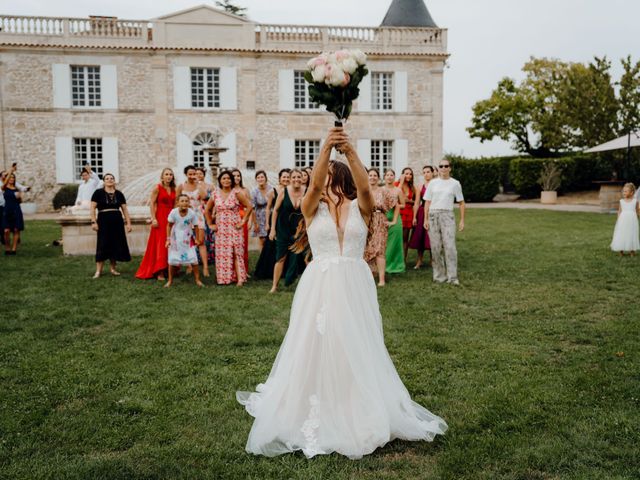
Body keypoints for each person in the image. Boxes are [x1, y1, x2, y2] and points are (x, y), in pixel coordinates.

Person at [237, 127, 447, 459]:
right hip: (319, 283)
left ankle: (354, 401)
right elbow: (315, 184)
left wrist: (349, 151)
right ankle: (314, 399)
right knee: (317, 341)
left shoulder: (361, 206)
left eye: (331, 175)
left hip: (354, 282)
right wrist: (325, 151)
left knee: (354, 340)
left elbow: (365, 186)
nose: (323, 182)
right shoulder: (310, 207)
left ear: (342, 180)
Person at [206, 170, 253, 286]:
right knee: (223, 253)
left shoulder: (236, 193)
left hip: (234, 226)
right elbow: (207, 209)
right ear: (220, 181)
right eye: (224, 178)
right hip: (221, 228)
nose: (226, 180)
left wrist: (243, 221)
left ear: (232, 180)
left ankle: (240, 279)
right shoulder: (215, 194)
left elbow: (249, 206)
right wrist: (210, 224)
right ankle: (224, 279)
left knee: (236, 252)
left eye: (228, 178)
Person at [423, 159, 465, 285]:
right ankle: (439, 276)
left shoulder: (455, 184)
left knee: (450, 247)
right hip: (433, 215)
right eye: (441, 166)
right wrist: (425, 218)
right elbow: (427, 202)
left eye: (446, 166)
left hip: (447, 216)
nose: (443, 168)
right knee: (435, 248)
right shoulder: (433, 183)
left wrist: (462, 220)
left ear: (450, 168)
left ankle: (452, 277)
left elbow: (461, 203)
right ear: (438, 168)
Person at [268, 168, 306, 292]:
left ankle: (309, 285)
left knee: (306, 257)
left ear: (302, 178)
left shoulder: (307, 191)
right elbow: (276, 210)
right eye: (294, 177)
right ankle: (274, 286)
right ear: (289, 179)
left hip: (300, 230)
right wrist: (273, 229)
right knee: (281, 257)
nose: (296, 179)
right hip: (283, 228)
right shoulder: (283, 192)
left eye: (298, 177)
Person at [135, 168, 176, 280]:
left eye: (171, 174)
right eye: (166, 174)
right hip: (161, 217)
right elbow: (152, 203)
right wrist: (153, 218)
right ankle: (159, 271)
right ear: (162, 177)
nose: (169, 176)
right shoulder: (157, 188)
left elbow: (176, 205)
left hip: (171, 217)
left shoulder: (174, 189)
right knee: (160, 244)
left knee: (171, 242)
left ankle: (169, 268)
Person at [90, 173, 132, 278]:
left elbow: (125, 210)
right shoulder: (98, 193)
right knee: (102, 244)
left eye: (112, 178)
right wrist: (93, 222)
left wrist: (128, 223)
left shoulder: (119, 194)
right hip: (103, 221)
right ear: (104, 181)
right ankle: (98, 271)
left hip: (117, 222)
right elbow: (92, 208)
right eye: (107, 178)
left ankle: (113, 269)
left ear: (114, 181)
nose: (110, 180)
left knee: (115, 244)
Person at [253, 169, 290, 280]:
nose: (286, 179)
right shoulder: (273, 191)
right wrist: (268, 224)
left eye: (288, 177)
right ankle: (268, 271)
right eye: (284, 177)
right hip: (277, 221)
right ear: (279, 178)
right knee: (272, 246)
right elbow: (269, 208)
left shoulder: (291, 190)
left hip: (288, 221)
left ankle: (285, 270)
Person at [364, 168, 396, 286]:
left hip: (380, 220)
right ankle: (369, 277)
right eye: (370, 175)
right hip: (366, 221)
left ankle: (382, 280)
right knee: (366, 249)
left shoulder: (383, 191)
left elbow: (394, 203)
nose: (372, 177)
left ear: (378, 178)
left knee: (380, 250)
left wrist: (393, 220)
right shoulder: (364, 191)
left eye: (374, 175)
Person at [164, 193, 204, 287]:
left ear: (189, 202)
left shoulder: (191, 213)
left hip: (187, 238)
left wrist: (197, 239)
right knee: (172, 260)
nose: (184, 203)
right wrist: (168, 239)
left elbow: (196, 226)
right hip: (176, 239)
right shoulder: (174, 212)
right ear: (178, 203)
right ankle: (170, 281)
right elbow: (169, 226)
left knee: (194, 259)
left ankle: (197, 280)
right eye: (182, 201)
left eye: (186, 201)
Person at [177, 166, 209, 277]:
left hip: (198, 215)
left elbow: (205, 196)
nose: (192, 176)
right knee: (187, 242)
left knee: (201, 242)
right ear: (186, 174)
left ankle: (205, 267)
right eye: (190, 174)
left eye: (194, 174)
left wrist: (199, 185)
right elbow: (176, 202)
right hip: (185, 217)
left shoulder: (200, 185)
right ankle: (189, 265)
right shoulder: (181, 186)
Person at [408, 165, 435, 269]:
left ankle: (433, 260)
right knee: (420, 237)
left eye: (428, 172)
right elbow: (417, 202)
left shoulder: (436, 185)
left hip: (433, 212)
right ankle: (419, 260)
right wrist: (414, 217)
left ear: (433, 173)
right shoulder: (420, 186)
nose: (426, 174)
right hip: (422, 212)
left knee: (432, 237)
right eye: (424, 172)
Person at [383, 169, 405, 274]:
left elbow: (403, 205)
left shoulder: (398, 190)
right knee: (384, 244)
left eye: (391, 175)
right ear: (384, 177)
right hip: (383, 217)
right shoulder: (380, 189)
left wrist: (393, 205)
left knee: (395, 244)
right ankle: (384, 265)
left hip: (396, 219)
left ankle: (396, 266)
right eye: (387, 175)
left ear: (394, 177)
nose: (389, 177)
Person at [610, 183, 640, 256]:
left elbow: (637, 211)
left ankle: (632, 251)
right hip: (623, 220)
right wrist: (618, 220)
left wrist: (637, 217)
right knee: (622, 234)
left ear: (632, 192)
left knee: (631, 234)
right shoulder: (621, 201)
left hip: (632, 221)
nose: (624, 193)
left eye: (626, 191)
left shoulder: (635, 201)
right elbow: (619, 211)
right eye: (623, 191)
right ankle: (621, 250)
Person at [395, 167, 418, 262]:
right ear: (402, 175)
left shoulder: (412, 188)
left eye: (410, 174)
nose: (408, 176)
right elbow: (394, 195)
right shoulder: (396, 184)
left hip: (408, 214)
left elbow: (416, 202)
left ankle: (403, 259)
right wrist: (401, 182)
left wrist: (409, 201)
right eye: (406, 174)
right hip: (398, 212)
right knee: (396, 237)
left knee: (405, 238)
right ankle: (395, 258)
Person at [231, 169, 251, 274]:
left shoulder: (245, 190)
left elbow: (250, 207)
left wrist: (249, 220)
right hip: (231, 219)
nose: (237, 177)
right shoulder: (228, 190)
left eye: (238, 175)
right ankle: (233, 270)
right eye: (234, 176)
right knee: (232, 246)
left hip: (243, 219)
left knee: (243, 245)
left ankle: (245, 271)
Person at [196, 167, 216, 270]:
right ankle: (198, 257)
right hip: (199, 211)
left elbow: (215, 199)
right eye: (197, 174)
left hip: (208, 210)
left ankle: (210, 257)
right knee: (199, 234)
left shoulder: (210, 186)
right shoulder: (195, 186)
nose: (199, 175)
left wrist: (213, 212)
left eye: (200, 173)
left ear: (204, 174)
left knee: (209, 234)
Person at [250, 170, 273, 251]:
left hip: (271, 216)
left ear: (266, 178)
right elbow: (252, 209)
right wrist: (255, 223)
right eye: (258, 177)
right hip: (259, 218)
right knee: (262, 239)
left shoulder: (271, 189)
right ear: (256, 179)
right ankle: (262, 259)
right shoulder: (254, 191)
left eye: (262, 177)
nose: (260, 179)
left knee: (271, 238)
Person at [2, 172, 24, 255]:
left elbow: (20, 201)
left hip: (16, 210)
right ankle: (7, 248)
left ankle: (14, 249)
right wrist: (12, 170)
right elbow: (4, 183)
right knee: (6, 230)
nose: (11, 179)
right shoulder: (4, 187)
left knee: (16, 229)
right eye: (10, 177)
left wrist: (19, 197)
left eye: (13, 178)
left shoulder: (16, 189)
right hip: (7, 210)